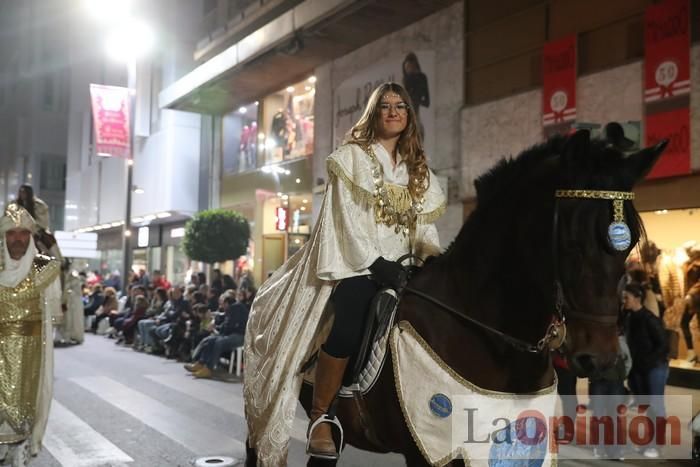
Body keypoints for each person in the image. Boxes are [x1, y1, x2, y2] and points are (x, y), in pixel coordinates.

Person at [244, 82, 445, 463]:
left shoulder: (418, 170)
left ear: (409, 115)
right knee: (351, 313)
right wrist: (375, 264)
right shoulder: (352, 158)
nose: (393, 112)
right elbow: (346, 222)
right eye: (385, 106)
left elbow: (425, 230)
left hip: (405, 269)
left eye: (400, 106)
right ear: (373, 113)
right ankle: (323, 416)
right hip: (359, 264)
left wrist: (430, 261)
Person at [0, 204, 62, 464]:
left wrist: (50, 240)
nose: (17, 239)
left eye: (23, 233)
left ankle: (18, 453)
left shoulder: (43, 266)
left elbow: (55, 309)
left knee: (24, 406)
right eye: (11, 233)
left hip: (31, 352)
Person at [623, 282, 669, 459]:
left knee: (656, 406)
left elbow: (663, 345)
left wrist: (647, 362)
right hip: (639, 370)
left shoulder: (649, 318)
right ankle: (648, 443)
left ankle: (656, 446)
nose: (624, 300)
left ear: (637, 298)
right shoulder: (628, 317)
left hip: (654, 368)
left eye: (627, 297)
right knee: (647, 407)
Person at [58, 259, 84, 345]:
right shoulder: (66, 274)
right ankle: (66, 336)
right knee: (67, 319)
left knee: (71, 319)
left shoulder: (73, 274)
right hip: (68, 300)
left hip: (72, 301)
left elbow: (72, 288)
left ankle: (72, 335)